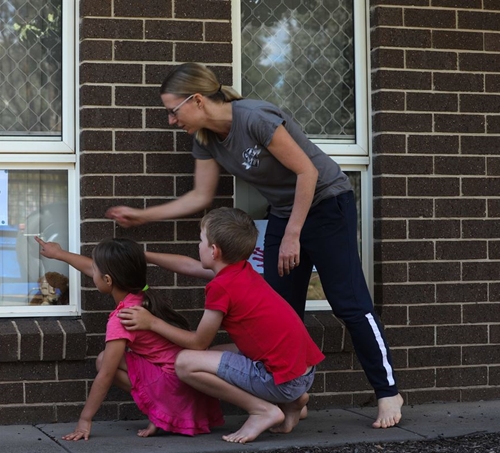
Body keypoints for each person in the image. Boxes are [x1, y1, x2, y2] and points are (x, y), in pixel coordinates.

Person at [106, 62, 403, 429]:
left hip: (327, 204)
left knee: (348, 301)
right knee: (279, 308)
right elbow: (200, 196)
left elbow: (307, 172)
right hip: (284, 211)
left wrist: (292, 235)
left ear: (197, 100)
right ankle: (293, 397)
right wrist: (143, 216)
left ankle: (388, 391)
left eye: (173, 110)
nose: (171, 120)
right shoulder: (205, 140)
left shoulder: (254, 117)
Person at [118, 207, 324, 444]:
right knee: (210, 356)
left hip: (282, 380)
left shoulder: (221, 287)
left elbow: (198, 341)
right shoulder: (241, 270)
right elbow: (189, 266)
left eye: (201, 240)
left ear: (214, 251)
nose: (199, 245)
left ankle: (261, 410)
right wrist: (143, 255)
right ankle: (293, 404)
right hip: (303, 372)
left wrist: (151, 322)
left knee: (185, 362)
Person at [34, 236, 224, 441]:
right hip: (184, 384)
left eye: (96, 271)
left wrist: (85, 419)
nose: (92, 272)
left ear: (108, 280)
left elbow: (106, 375)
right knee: (108, 358)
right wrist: (60, 254)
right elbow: (97, 269)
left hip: (176, 389)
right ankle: (162, 412)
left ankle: (162, 411)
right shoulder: (141, 294)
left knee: (104, 361)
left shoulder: (123, 317)